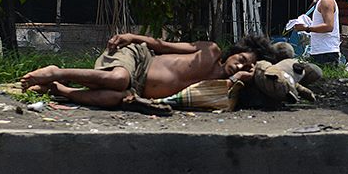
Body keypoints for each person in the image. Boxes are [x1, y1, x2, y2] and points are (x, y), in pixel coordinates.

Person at [21, 33, 280, 112]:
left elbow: (221, 99)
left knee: (115, 98)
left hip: (138, 89)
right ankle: (57, 73)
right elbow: (162, 46)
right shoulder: (210, 51)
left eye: (247, 67)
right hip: (138, 60)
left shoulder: (223, 90)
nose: (240, 66)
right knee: (118, 79)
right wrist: (131, 37)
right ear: (235, 51)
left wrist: (241, 78)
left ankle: (60, 89)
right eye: (241, 59)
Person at [290, 0, 340, 66]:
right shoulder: (318, 2)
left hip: (327, 52)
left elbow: (329, 26)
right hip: (318, 51)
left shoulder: (326, 1)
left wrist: (306, 28)